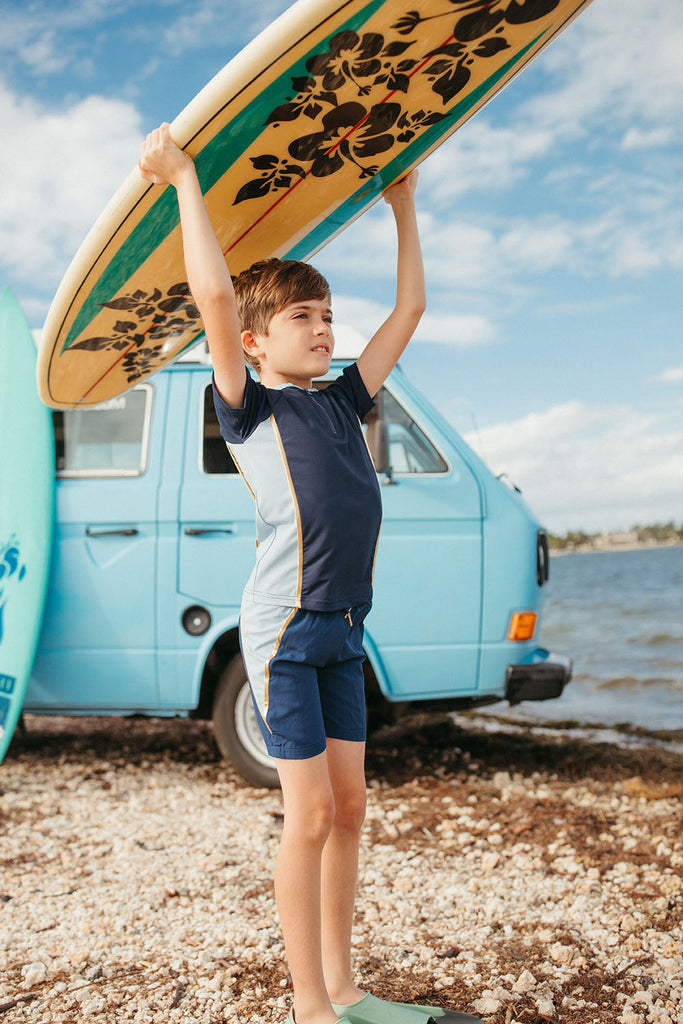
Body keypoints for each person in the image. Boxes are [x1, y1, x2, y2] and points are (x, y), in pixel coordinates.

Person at [138, 124, 479, 1024]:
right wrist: (182, 180)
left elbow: (406, 313)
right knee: (311, 818)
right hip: (284, 636)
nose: (324, 329)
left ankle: (344, 989)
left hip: (342, 632)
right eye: (302, 317)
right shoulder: (248, 411)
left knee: (352, 810)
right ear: (254, 342)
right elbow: (214, 297)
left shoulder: (342, 401)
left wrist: (402, 207)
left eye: (327, 316)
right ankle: (307, 1009)